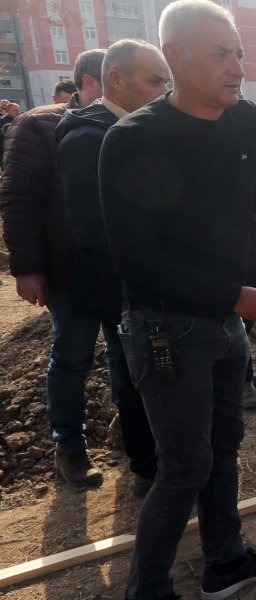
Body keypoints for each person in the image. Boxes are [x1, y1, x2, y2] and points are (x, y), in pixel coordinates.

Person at [99, 2, 256, 600]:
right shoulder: (135, 139)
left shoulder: (241, 119)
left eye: (239, 54)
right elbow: (136, 263)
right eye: (220, 54)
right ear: (177, 59)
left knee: (225, 445)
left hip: (224, 325)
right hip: (166, 328)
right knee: (184, 464)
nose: (236, 68)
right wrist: (238, 297)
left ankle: (225, 561)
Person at [54, 39, 168, 498]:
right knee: (133, 371)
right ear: (116, 81)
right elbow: (93, 231)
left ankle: (153, 456)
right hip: (116, 284)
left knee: (148, 371)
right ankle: (147, 468)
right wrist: (140, 278)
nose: (164, 91)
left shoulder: (135, 128)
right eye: (155, 81)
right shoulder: (88, 138)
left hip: (142, 277)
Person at [0, 47, 105, 487]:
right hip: (70, 269)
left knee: (129, 356)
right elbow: (19, 200)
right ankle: (70, 447)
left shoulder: (132, 123)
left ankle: (138, 441)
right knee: (72, 356)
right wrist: (27, 268)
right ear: (89, 83)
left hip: (124, 267)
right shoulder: (39, 126)